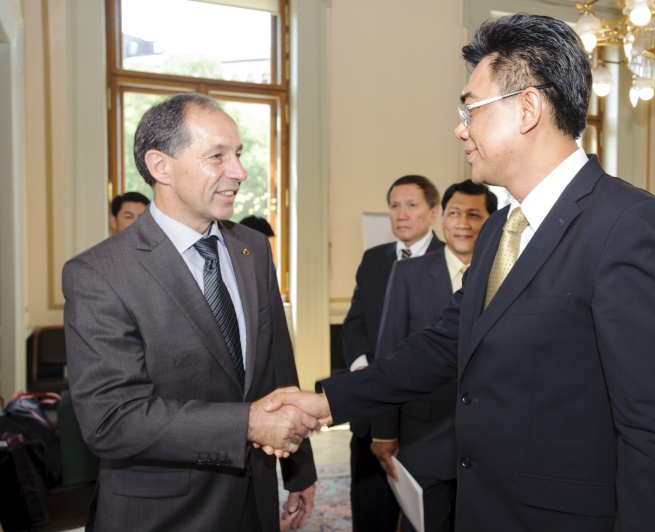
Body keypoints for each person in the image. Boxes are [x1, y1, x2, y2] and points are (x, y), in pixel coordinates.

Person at [267, 13, 655, 531]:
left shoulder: (629, 225)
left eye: (470, 108)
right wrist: (326, 402)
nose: (461, 128)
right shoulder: (497, 229)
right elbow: (444, 344)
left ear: (527, 109)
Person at [63, 93, 318, 531]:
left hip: (254, 500)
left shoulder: (253, 248)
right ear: (161, 166)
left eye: (238, 154)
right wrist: (247, 424)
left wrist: (299, 470)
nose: (239, 172)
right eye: (217, 156)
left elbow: (277, 369)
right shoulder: (99, 273)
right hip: (163, 513)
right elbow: (111, 419)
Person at [370, 180, 496, 532]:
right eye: (454, 213)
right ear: (442, 217)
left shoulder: (506, 275)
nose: (463, 223)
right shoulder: (408, 273)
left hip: (489, 442)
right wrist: (384, 432)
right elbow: (389, 354)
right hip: (424, 436)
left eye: (475, 215)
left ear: (492, 222)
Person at [342, 174, 444, 531]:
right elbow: (355, 322)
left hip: (425, 417)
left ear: (434, 212)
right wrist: (362, 367)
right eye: (394, 206)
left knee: (426, 517)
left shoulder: (449, 261)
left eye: (412, 205)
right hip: (371, 406)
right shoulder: (374, 259)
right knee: (371, 512)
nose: (401, 214)